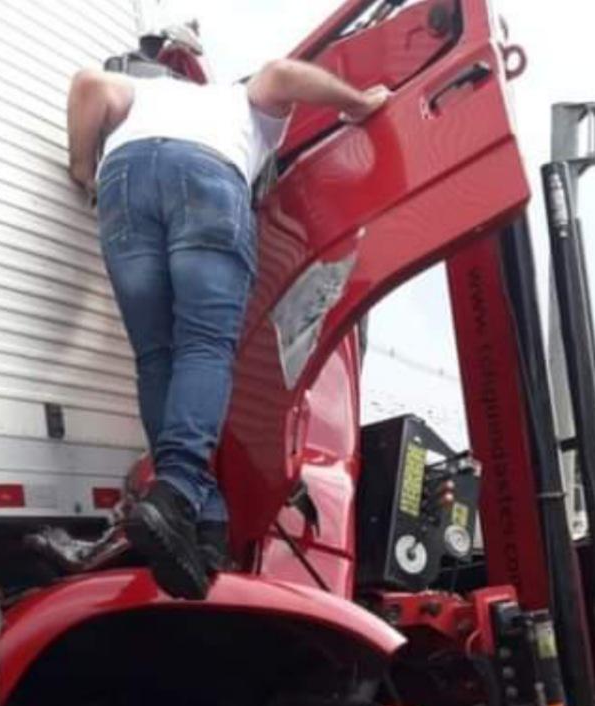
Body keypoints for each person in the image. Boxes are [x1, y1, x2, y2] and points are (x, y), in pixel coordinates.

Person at [66, 27, 388, 600]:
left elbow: (88, 85)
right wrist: (360, 104)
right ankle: (177, 492)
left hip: (124, 182)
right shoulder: (240, 100)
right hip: (208, 180)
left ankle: (203, 523)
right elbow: (284, 73)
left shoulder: (146, 96)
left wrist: (84, 170)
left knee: (157, 357)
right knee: (203, 349)